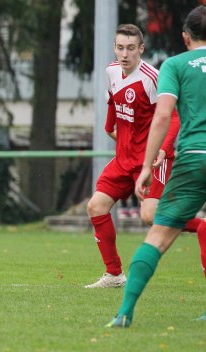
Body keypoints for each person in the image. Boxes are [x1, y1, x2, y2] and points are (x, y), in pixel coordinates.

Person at [106, 6, 206, 327]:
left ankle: (124, 312)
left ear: (184, 36)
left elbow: (163, 116)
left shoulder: (174, 65)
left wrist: (148, 166)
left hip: (192, 157)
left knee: (158, 234)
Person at [84, 24, 204, 289]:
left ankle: (202, 226)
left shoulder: (152, 77)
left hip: (152, 160)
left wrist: (162, 149)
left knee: (150, 216)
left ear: (141, 49)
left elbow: (173, 117)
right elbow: (113, 102)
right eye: (119, 47)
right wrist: (108, 127)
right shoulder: (111, 71)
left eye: (130, 48)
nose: (124, 53)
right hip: (124, 158)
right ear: (114, 48)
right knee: (96, 207)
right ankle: (114, 275)